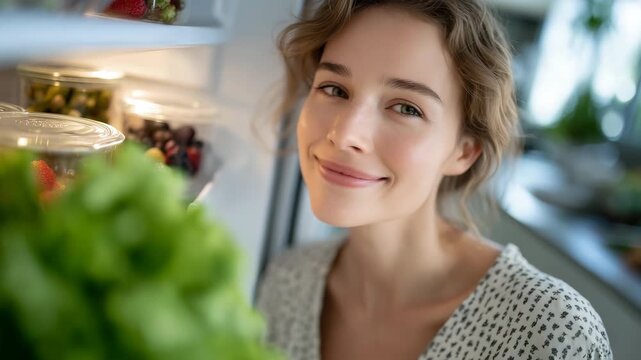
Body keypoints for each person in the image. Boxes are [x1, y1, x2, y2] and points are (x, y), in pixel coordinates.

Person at [257, 0, 613, 359]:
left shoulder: (551, 329)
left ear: (464, 151)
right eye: (334, 89)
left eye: (406, 108)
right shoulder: (288, 281)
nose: (346, 133)